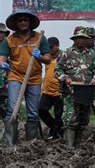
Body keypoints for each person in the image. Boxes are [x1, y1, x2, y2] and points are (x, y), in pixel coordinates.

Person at [0, 9, 50, 146]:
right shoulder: (9, 40)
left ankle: (31, 143)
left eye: (25, 20)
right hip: (15, 76)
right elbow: (2, 58)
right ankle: (10, 143)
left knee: (33, 113)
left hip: (34, 78)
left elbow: (48, 59)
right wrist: (3, 64)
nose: (23, 22)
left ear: (30, 22)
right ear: (16, 23)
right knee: (12, 109)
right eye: (20, 20)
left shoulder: (40, 38)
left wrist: (40, 56)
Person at [55, 27, 95, 148]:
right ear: (74, 39)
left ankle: (77, 147)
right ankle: (69, 148)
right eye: (78, 38)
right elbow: (57, 70)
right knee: (70, 119)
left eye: (83, 38)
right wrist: (65, 78)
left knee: (83, 119)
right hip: (70, 91)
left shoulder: (91, 54)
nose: (80, 40)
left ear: (86, 40)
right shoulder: (66, 53)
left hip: (86, 90)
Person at [38, 37, 64, 140]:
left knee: (58, 115)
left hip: (59, 91)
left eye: (51, 47)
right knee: (41, 110)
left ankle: (57, 135)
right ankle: (56, 128)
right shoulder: (47, 57)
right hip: (47, 91)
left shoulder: (64, 56)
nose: (50, 49)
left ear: (57, 46)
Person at [0, 24, 10, 130]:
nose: (0, 35)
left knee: (7, 112)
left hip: (6, 85)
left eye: (2, 32)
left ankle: (9, 139)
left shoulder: (10, 47)